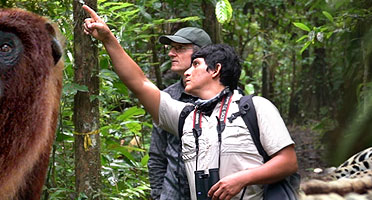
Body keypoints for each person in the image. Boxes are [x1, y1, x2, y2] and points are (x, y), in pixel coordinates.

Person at [82, 5, 297, 200]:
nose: (188, 71)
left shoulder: (255, 107)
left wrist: (242, 179)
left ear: (216, 70)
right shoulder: (186, 116)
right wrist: (108, 39)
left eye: (195, 64)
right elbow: (139, 83)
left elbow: (288, 161)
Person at [149, 27, 211, 200]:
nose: (171, 53)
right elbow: (157, 154)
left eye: (180, 48)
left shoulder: (228, 97)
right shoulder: (167, 97)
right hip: (172, 193)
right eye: (171, 48)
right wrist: (157, 194)